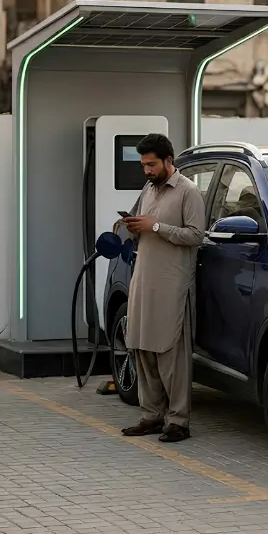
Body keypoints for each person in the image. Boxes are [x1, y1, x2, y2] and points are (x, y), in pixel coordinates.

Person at [119, 133, 206, 443]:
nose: (147, 170)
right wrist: (131, 227)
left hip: (172, 284)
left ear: (169, 161)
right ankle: (152, 415)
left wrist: (154, 227)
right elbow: (145, 229)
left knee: (171, 353)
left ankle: (178, 421)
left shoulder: (188, 192)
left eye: (151, 164)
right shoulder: (149, 188)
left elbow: (196, 235)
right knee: (142, 346)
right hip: (144, 279)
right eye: (143, 165)